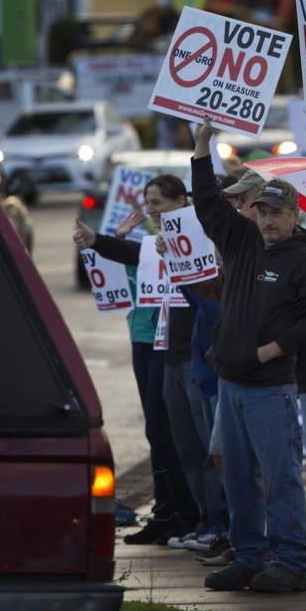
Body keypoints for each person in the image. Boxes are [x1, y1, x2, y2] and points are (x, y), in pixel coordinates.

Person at [191, 121, 306, 594]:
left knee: (280, 478)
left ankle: (291, 560)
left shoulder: (305, 262)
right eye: (261, 211)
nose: (266, 220)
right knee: (240, 478)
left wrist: (270, 350)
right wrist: (201, 147)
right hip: (232, 383)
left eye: (276, 214)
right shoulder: (242, 241)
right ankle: (248, 556)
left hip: (270, 389)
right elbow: (206, 204)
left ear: (294, 217)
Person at [73, 177, 204, 546]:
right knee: (158, 432)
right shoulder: (149, 246)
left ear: (182, 203)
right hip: (147, 340)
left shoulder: (196, 241)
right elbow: (129, 257)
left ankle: (187, 513)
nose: (152, 209)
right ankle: (168, 512)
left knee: (174, 432)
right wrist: (97, 239)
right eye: (149, 202)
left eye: (159, 202)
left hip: (174, 347)